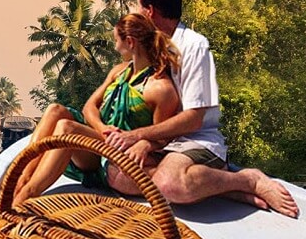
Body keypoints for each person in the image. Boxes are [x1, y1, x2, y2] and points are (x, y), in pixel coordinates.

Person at [102, 0, 299, 218]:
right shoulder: (157, 46)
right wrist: (147, 142)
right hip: (165, 140)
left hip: (195, 140)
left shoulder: (194, 46)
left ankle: (247, 180)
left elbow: (194, 120)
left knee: (168, 185)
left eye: (142, 9)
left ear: (150, 11)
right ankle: (225, 189)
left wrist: (139, 136)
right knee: (118, 176)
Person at [12, 12, 181, 207]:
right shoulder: (119, 72)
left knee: (67, 128)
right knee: (55, 110)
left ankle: (28, 194)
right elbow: (89, 107)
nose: (115, 47)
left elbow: (162, 136)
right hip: (101, 139)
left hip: (116, 154)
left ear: (130, 42)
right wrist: (102, 128)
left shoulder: (160, 89)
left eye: (116, 40)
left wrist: (143, 143)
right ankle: (21, 177)